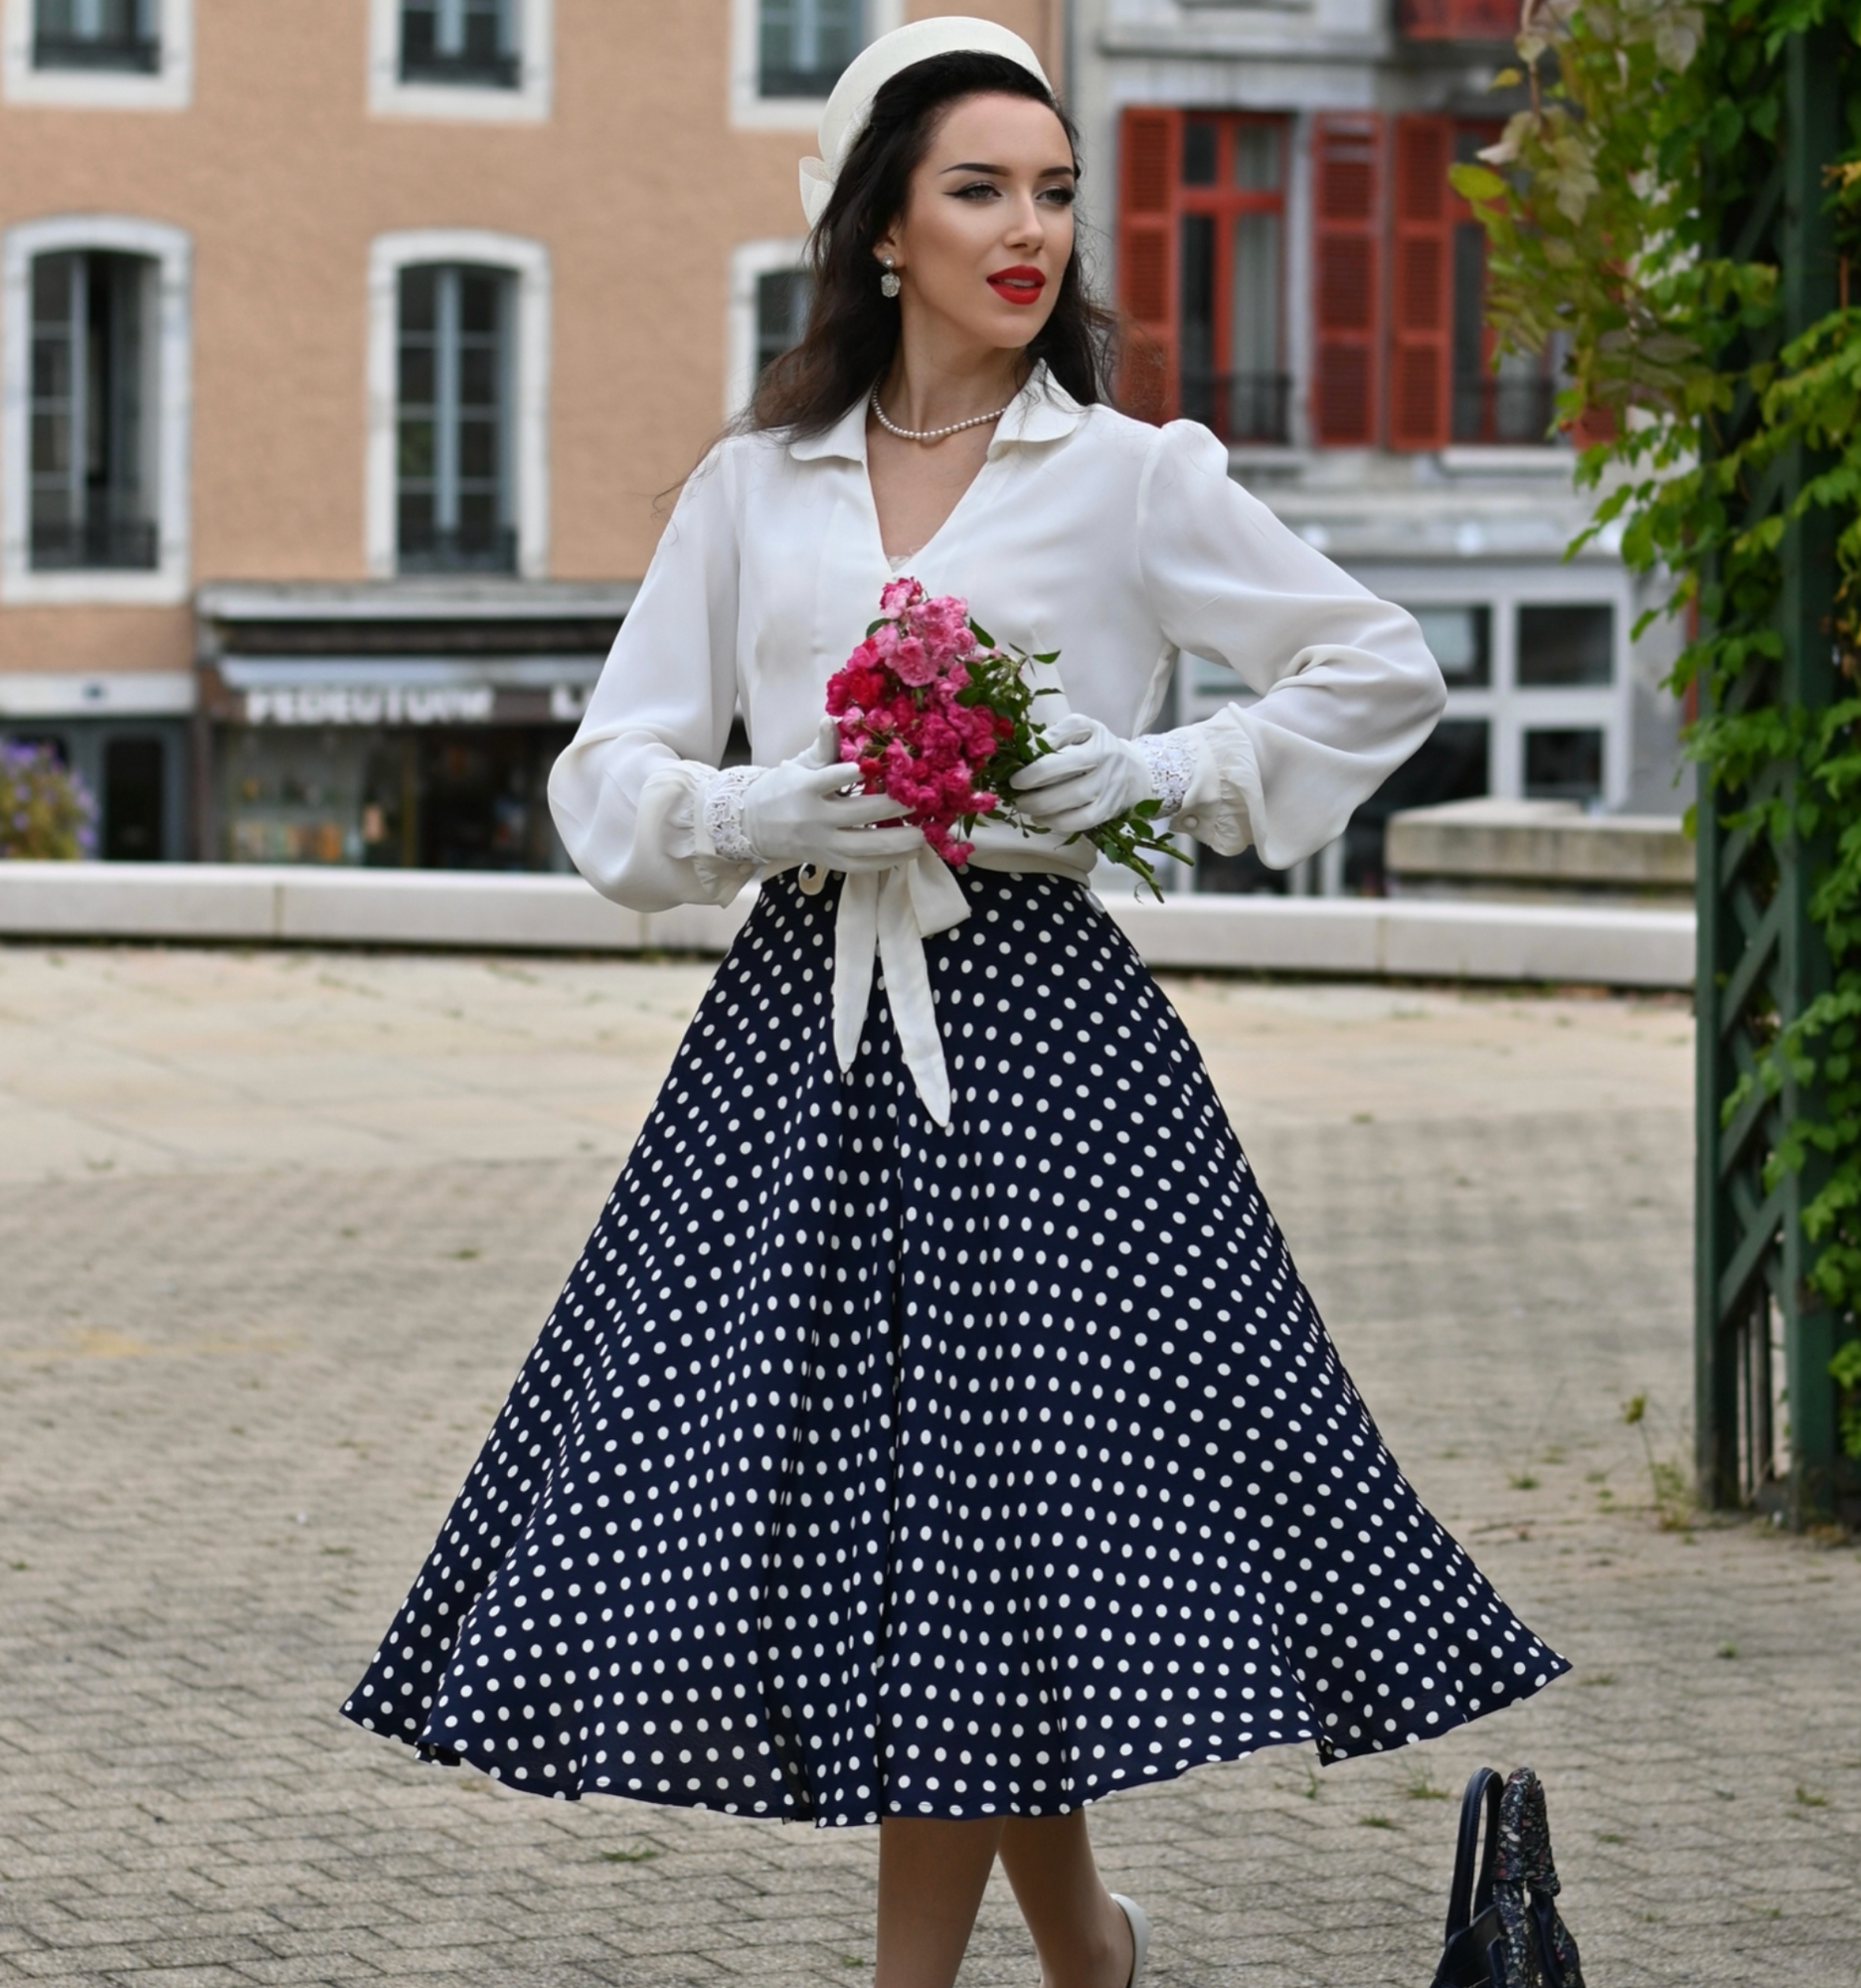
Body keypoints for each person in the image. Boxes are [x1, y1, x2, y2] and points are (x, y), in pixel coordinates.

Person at [341, 19, 1568, 1988]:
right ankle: (1089, 1954)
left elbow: (1380, 669)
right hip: (804, 1039)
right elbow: (604, 778)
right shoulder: (755, 486)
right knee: (937, 1557)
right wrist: (757, 806)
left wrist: (1141, 775)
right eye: (979, 189)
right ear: (881, 228)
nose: (1029, 231)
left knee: (973, 1545)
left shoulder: (1133, 474)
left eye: (1056, 193)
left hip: (1046, 1054)